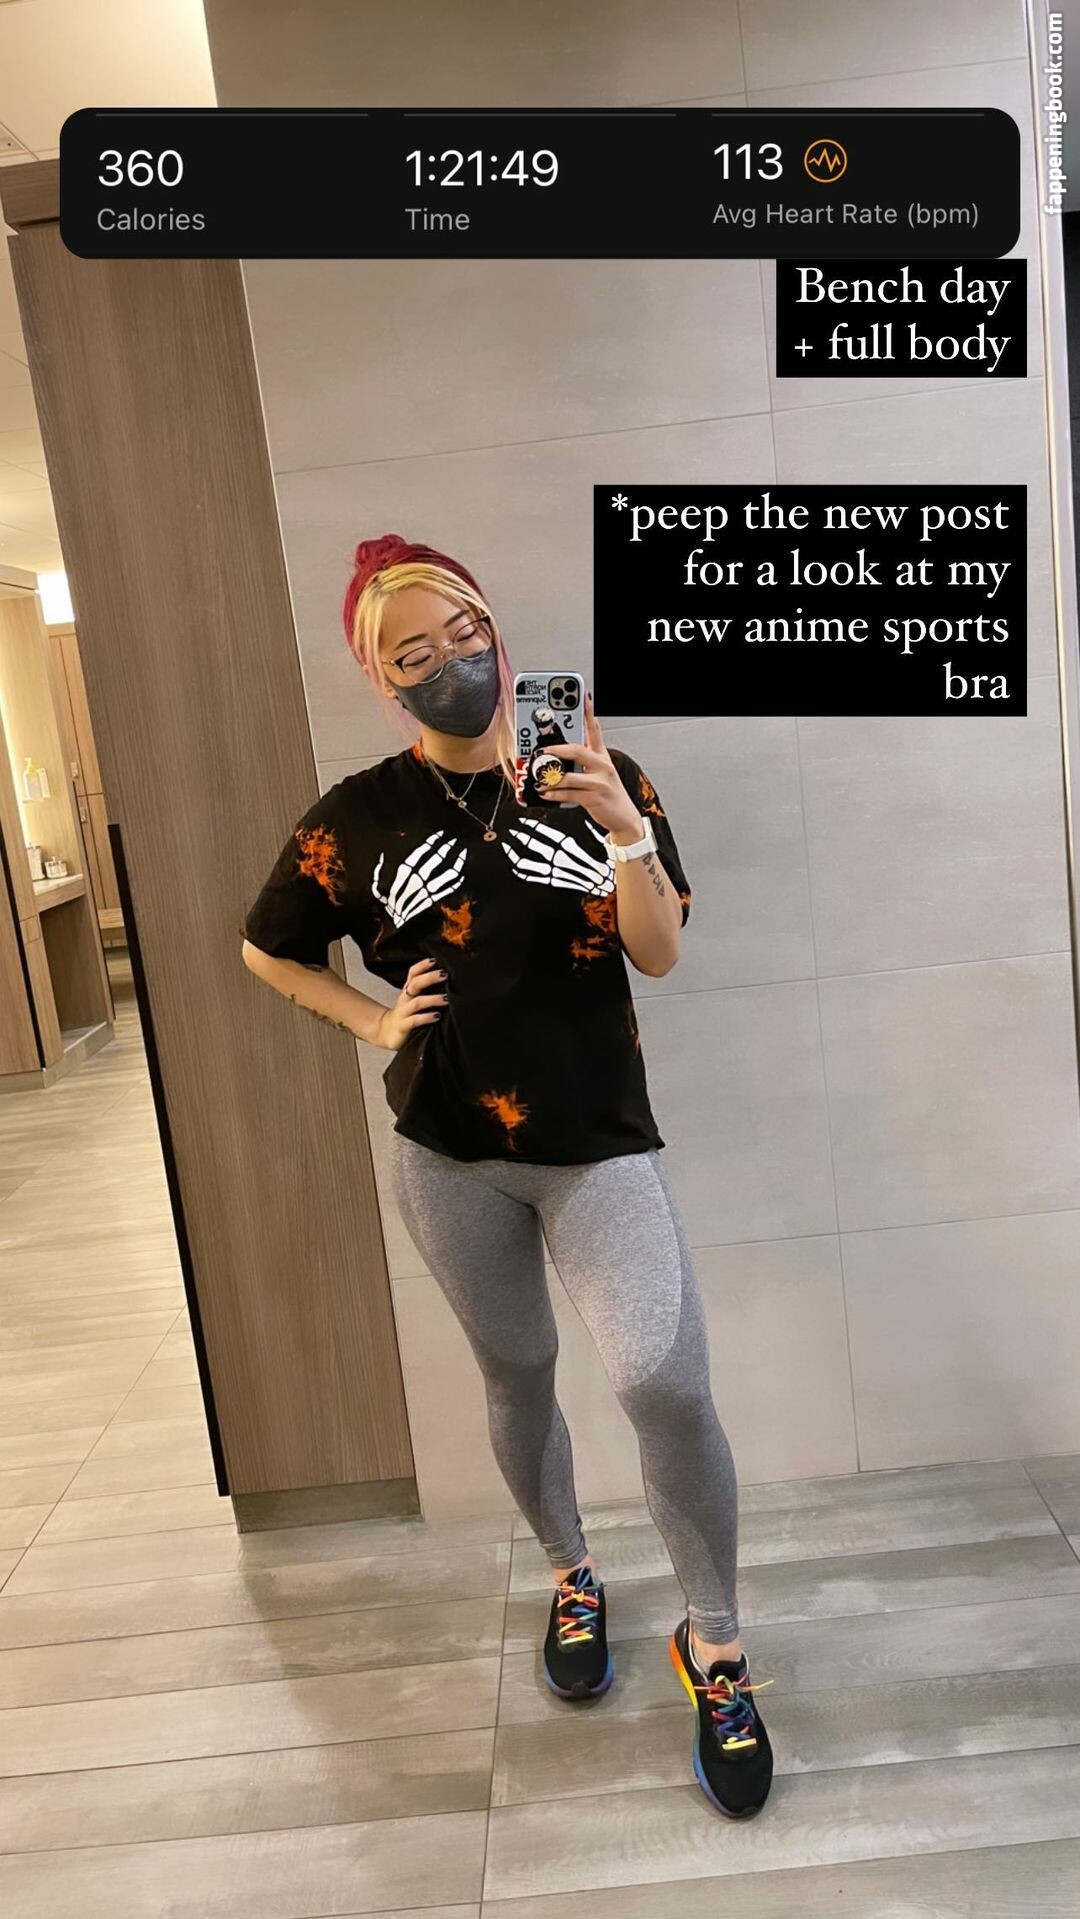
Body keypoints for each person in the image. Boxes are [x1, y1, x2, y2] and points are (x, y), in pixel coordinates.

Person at [240, 532, 773, 1819]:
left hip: (599, 1146)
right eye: (412, 652)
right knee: (519, 1370)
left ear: (496, 630)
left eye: (464, 633)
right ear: (381, 678)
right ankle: (571, 1574)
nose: (450, 662)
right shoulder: (356, 817)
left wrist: (626, 831)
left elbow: (660, 954)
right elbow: (267, 947)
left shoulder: (602, 775)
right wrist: (373, 1020)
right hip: (449, 1156)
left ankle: (715, 1643)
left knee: (663, 1378)